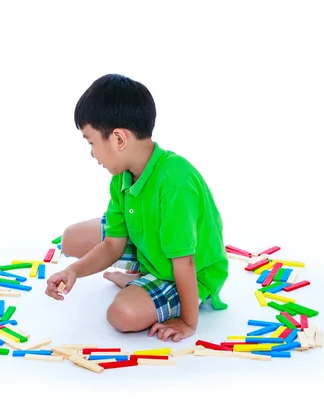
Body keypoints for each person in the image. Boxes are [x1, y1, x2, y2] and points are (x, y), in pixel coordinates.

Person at [45, 73, 228, 342]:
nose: (92, 153)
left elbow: (185, 261)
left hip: (189, 271)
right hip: (152, 247)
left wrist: (188, 321)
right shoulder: (122, 177)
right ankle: (140, 276)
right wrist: (72, 272)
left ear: (119, 139)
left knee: (121, 314)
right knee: (71, 239)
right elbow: (111, 246)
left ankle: (140, 282)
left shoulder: (175, 183)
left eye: (91, 142)